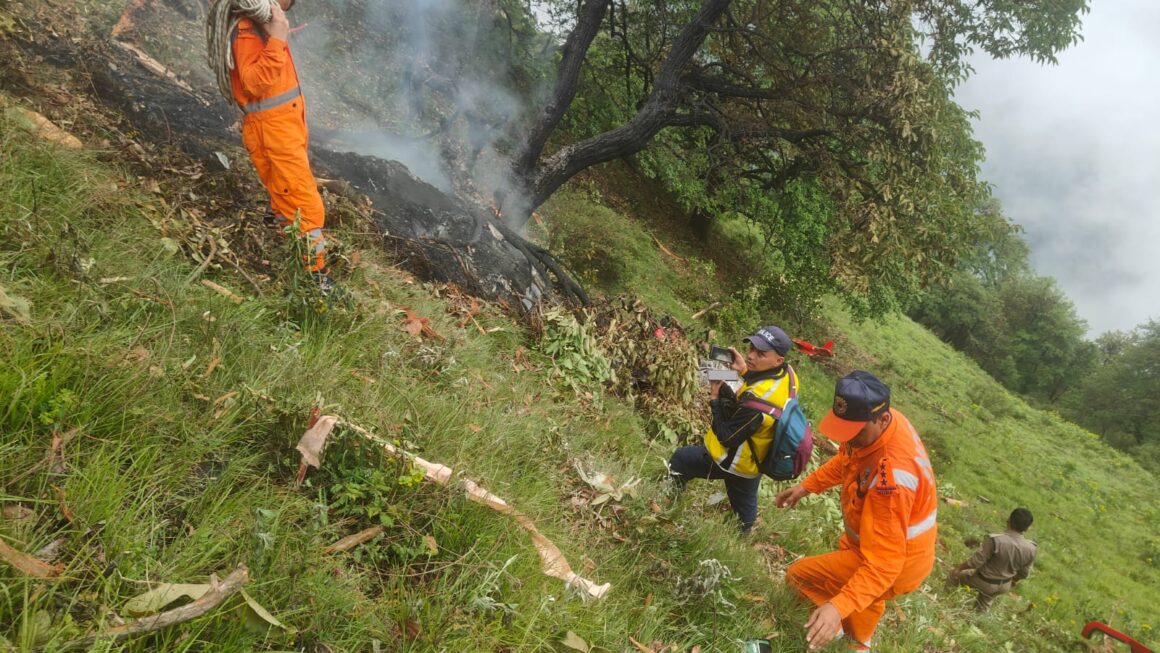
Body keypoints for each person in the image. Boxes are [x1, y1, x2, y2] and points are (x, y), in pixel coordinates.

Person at [774, 371, 937, 651]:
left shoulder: (892, 480)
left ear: (882, 419)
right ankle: (858, 644)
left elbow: (884, 565)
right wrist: (807, 487)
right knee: (864, 597)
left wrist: (837, 608)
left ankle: (833, 629)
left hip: (895, 563)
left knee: (799, 576)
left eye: (854, 433)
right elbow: (849, 460)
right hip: (874, 546)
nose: (848, 440)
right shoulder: (877, 424)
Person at [206, 0, 333, 293]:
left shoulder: (260, 25)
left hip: (284, 129)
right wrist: (277, 37)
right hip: (274, 133)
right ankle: (314, 282)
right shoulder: (249, 28)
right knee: (307, 206)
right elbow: (253, 82)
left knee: (288, 199)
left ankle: (293, 255)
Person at [668, 326, 800, 533]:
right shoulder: (789, 376)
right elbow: (763, 392)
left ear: (778, 360)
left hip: (731, 461)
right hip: (755, 462)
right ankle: (744, 529)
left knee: (681, 460)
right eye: (752, 349)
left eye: (761, 354)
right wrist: (745, 372)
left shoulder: (758, 403)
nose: (751, 356)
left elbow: (726, 437)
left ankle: (668, 501)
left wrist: (714, 398)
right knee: (744, 518)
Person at [946, 508, 1037, 611]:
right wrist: (1013, 581)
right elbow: (1024, 573)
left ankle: (945, 602)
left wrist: (958, 569)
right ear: (1027, 528)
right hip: (1004, 585)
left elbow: (976, 562)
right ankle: (978, 620)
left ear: (1009, 520)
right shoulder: (1031, 548)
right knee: (984, 603)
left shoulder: (995, 540)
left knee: (953, 576)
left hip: (984, 580)